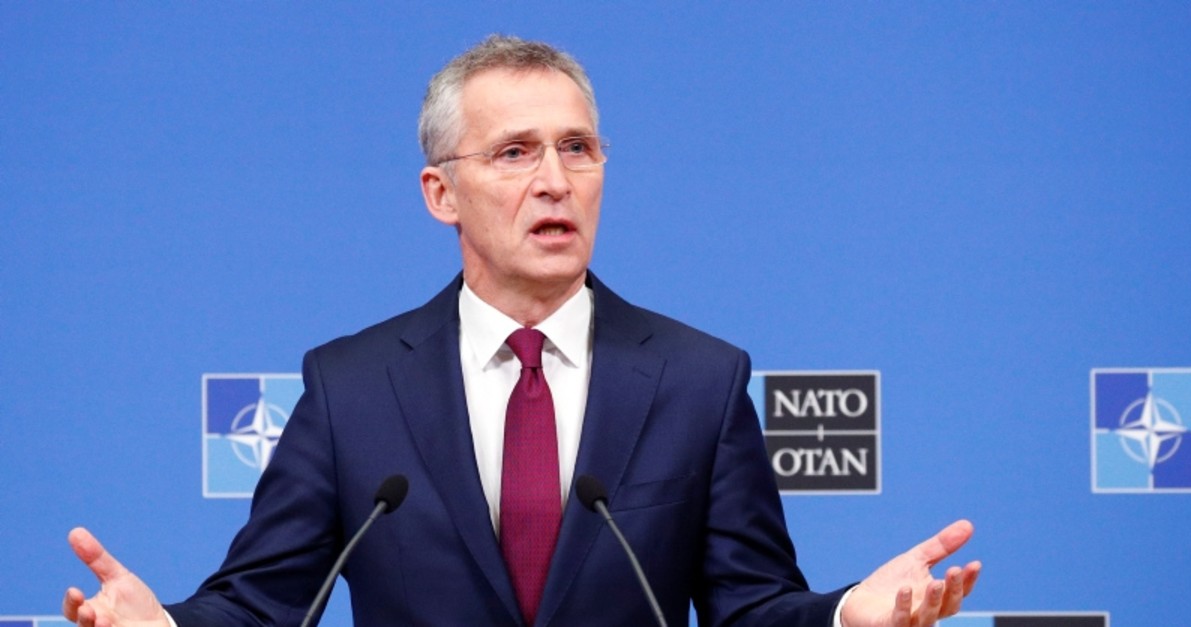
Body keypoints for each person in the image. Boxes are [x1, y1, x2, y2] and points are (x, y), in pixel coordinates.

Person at [63, 35, 980, 627]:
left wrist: (845, 614)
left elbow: (747, 607)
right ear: (440, 194)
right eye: (514, 152)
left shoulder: (700, 379)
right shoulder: (353, 386)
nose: (555, 179)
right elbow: (264, 604)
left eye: (577, 147)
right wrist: (168, 625)